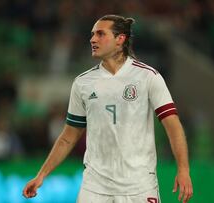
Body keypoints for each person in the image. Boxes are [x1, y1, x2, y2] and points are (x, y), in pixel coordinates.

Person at [23, 14, 193, 203]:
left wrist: (183, 170)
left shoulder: (147, 77)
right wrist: (41, 175)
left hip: (138, 186)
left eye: (100, 34)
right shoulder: (83, 83)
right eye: (92, 34)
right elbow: (68, 136)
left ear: (120, 39)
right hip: (95, 188)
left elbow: (173, 126)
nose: (93, 39)